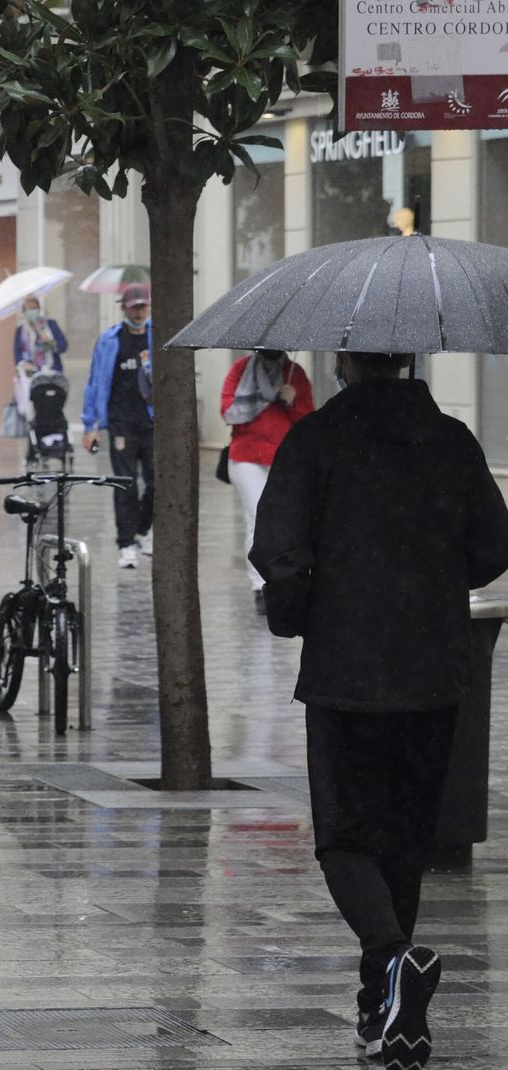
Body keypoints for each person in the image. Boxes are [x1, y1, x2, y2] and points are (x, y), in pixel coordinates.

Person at [251, 351, 508, 1067]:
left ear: (341, 362)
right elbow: (493, 545)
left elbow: (278, 548)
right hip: (434, 670)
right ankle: (380, 1011)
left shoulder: (316, 441)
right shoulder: (452, 439)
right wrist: (428, 572)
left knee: (345, 836)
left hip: (346, 670)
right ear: (406, 361)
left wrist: (303, 612)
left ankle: (393, 961)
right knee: (403, 843)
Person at [219, 348, 314, 613]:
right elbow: (227, 410)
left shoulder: (295, 375)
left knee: (285, 522)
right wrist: (263, 397)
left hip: (283, 458)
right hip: (247, 456)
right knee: (257, 519)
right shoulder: (240, 370)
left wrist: (293, 401)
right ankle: (260, 586)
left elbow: (308, 420)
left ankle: (282, 579)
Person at [81, 284, 154, 569]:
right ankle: (126, 544)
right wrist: (91, 426)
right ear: (123, 307)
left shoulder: (155, 336)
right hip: (120, 423)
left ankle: (144, 530)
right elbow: (95, 383)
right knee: (125, 484)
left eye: (143, 306)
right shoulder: (110, 339)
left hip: (151, 421)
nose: (139, 311)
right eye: (134, 306)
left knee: (156, 481)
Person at [13, 296, 67, 373]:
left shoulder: (50, 325)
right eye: (29, 309)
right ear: (24, 311)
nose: (32, 311)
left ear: (39, 309)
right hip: (31, 373)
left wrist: (50, 342)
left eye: (34, 308)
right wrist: (23, 364)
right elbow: (17, 352)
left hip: (52, 371)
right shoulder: (21, 330)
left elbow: (63, 346)